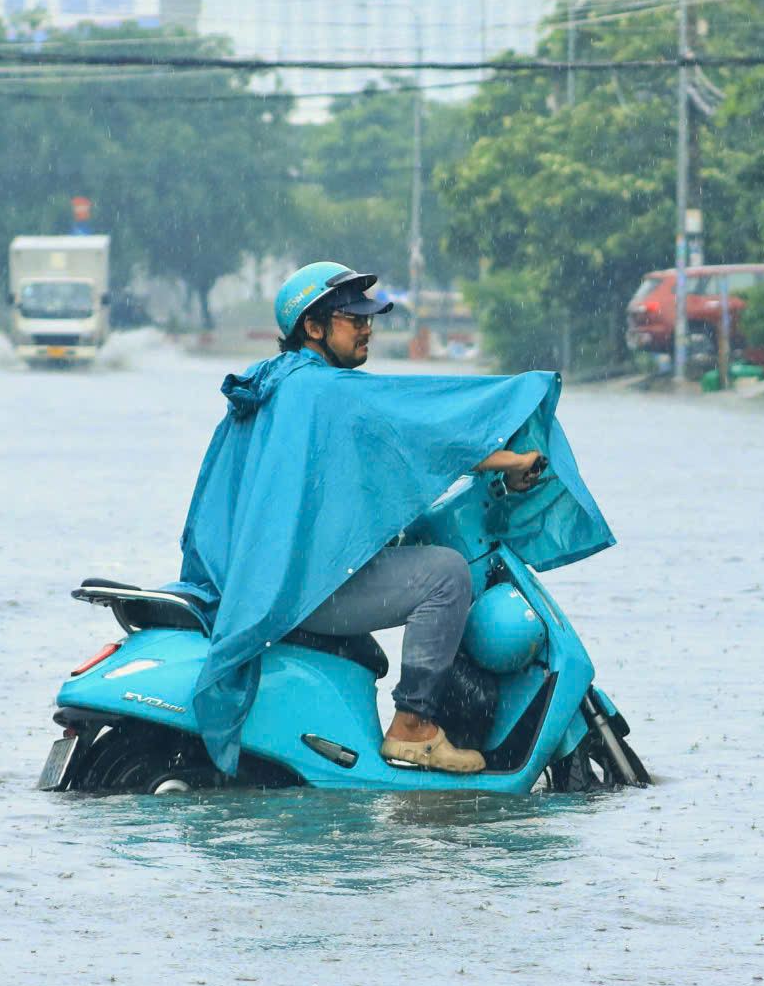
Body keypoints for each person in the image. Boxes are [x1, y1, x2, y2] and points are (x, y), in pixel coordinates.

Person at [179, 262, 549, 775]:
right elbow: (420, 429)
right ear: (313, 327)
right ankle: (414, 725)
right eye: (354, 319)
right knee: (445, 574)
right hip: (301, 590)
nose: (368, 328)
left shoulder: (274, 387)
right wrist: (510, 454)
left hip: (257, 582)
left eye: (370, 318)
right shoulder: (327, 392)